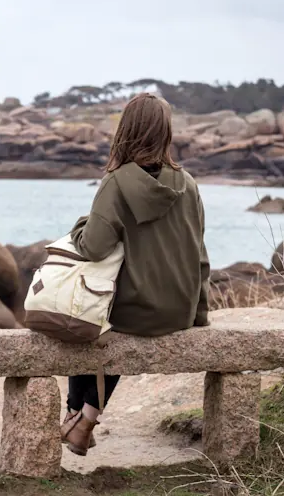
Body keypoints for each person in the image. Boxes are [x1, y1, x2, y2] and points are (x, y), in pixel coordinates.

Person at [59, 92, 210, 456]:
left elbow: (93, 247)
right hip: (179, 309)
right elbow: (200, 256)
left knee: (88, 318)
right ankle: (80, 421)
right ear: (165, 133)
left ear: (125, 131)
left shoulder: (116, 182)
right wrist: (199, 314)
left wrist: (81, 225)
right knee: (108, 318)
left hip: (134, 311)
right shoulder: (187, 183)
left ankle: (80, 417)